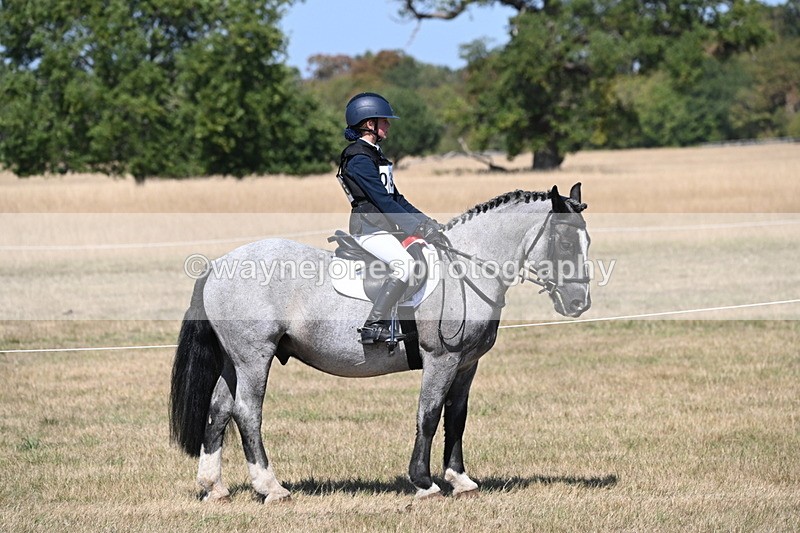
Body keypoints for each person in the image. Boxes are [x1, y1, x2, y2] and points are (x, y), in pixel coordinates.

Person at [336, 92, 444, 345]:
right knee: (404, 265)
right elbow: (382, 202)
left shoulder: (375, 155)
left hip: (384, 226)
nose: (389, 125)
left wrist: (427, 222)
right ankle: (373, 325)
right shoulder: (358, 158)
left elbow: (396, 198)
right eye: (384, 120)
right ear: (368, 124)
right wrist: (415, 226)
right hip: (369, 228)